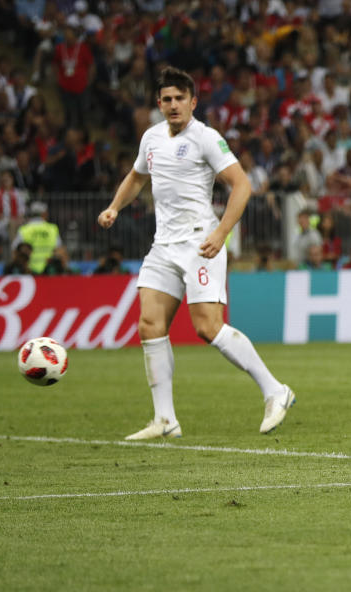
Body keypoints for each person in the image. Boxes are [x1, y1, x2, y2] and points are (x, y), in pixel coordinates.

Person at [97, 67, 295, 440]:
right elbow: (138, 177)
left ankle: (275, 390)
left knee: (207, 327)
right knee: (150, 325)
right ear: (159, 104)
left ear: (192, 102)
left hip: (200, 243)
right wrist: (114, 207)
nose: (173, 105)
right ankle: (165, 419)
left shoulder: (206, 137)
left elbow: (242, 185)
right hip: (163, 246)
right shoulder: (152, 138)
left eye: (179, 99)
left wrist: (222, 233)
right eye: (166, 99)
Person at [12, 201, 65, 274]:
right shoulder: (51, 229)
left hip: (29, 271)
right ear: (44, 214)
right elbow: (60, 251)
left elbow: (15, 250)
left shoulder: (24, 229)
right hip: (49, 271)